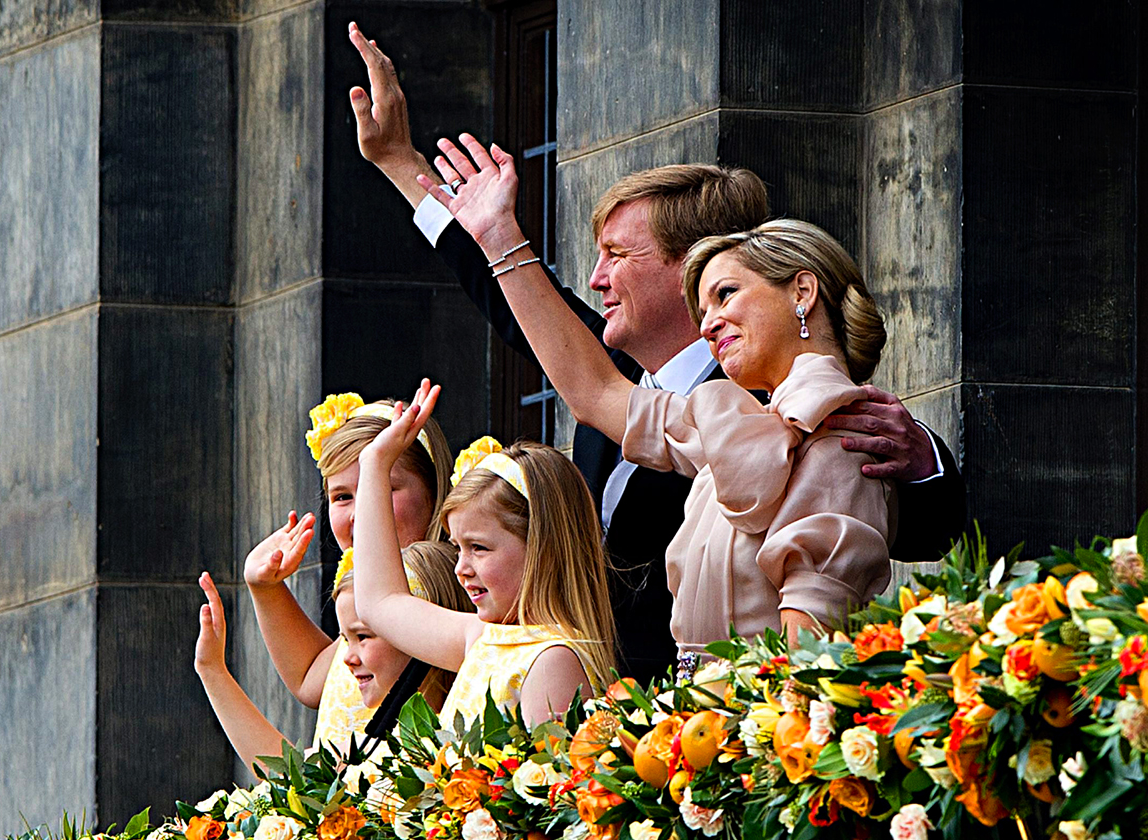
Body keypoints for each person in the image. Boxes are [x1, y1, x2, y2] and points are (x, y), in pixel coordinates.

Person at [343, 23, 966, 683]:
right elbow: (527, 315)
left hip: (738, 728)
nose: (596, 279)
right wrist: (400, 163)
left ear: (688, 271)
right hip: (619, 736)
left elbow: (907, 527)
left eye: (617, 255)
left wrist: (923, 460)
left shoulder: (790, 415)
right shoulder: (660, 397)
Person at [428, 132, 894, 660]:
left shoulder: (854, 436)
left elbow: (809, 653)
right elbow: (594, 392)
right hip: (680, 721)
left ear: (801, 293)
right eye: (705, 299)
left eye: (727, 293)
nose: (710, 319)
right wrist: (495, 236)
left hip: (753, 728)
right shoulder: (720, 418)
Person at [352, 386, 617, 730]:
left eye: (478, 548)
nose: (461, 569)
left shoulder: (553, 659)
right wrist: (374, 464)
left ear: (541, 548)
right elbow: (378, 602)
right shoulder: (484, 638)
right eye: (458, 548)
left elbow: (544, 782)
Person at [243, 395, 452, 753]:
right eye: (342, 497)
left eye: (381, 487)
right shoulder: (358, 605)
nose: (361, 513)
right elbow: (311, 677)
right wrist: (265, 589)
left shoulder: (442, 586)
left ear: (434, 491)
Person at [194, 542, 466, 771]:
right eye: (345, 640)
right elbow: (290, 775)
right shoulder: (369, 748)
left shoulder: (477, 738)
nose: (347, 658)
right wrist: (212, 670)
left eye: (364, 636)